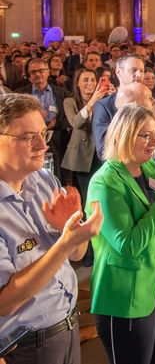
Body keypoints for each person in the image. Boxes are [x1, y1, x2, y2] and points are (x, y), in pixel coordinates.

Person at [86, 105, 155, 364]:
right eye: (144, 135)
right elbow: (128, 244)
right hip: (126, 292)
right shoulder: (105, 182)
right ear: (123, 135)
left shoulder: (149, 170)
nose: (153, 141)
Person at [0, 93, 103, 364]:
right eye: (27, 137)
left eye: (43, 135)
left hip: (68, 325)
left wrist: (72, 231)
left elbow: (77, 255)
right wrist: (65, 242)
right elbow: (6, 302)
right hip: (27, 345)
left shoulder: (45, 181)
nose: (41, 146)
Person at [17, 58, 72, 180]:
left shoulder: (63, 93)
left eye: (41, 71)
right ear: (29, 75)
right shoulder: (20, 94)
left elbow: (70, 118)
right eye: (33, 72)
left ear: (48, 72)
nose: (38, 74)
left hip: (57, 139)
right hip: (29, 141)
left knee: (56, 176)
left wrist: (55, 124)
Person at [61, 68, 109, 203]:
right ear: (77, 83)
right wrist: (92, 101)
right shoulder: (69, 102)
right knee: (87, 194)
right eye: (85, 80)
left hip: (102, 150)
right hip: (82, 154)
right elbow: (75, 122)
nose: (90, 83)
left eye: (93, 80)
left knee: (103, 192)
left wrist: (113, 98)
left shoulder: (105, 100)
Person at [92, 54, 146, 159]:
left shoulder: (148, 101)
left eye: (142, 71)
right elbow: (104, 149)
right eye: (133, 70)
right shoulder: (104, 106)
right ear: (118, 72)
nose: (139, 74)